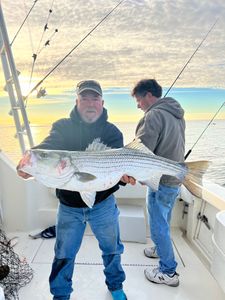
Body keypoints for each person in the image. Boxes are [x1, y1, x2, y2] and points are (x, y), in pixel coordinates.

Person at [17, 80, 127, 300]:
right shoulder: (62, 126)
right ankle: (60, 294)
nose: (89, 103)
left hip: (103, 204)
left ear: (102, 102)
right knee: (63, 254)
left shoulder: (112, 132)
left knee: (112, 249)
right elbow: (49, 146)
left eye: (94, 98)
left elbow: (118, 172)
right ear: (76, 101)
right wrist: (32, 160)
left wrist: (125, 178)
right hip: (69, 206)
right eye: (84, 98)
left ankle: (115, 286)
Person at [131, 79, 185, 287]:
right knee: (165, 217)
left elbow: (141, 151)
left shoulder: (153, 115)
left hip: (160, 179)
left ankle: (168, 272)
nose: (138, 105)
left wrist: (136, 173)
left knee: (157, 224)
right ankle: (159, 248)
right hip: (174, 177)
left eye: (138, 99)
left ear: (149, 96)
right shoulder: (177, 115)